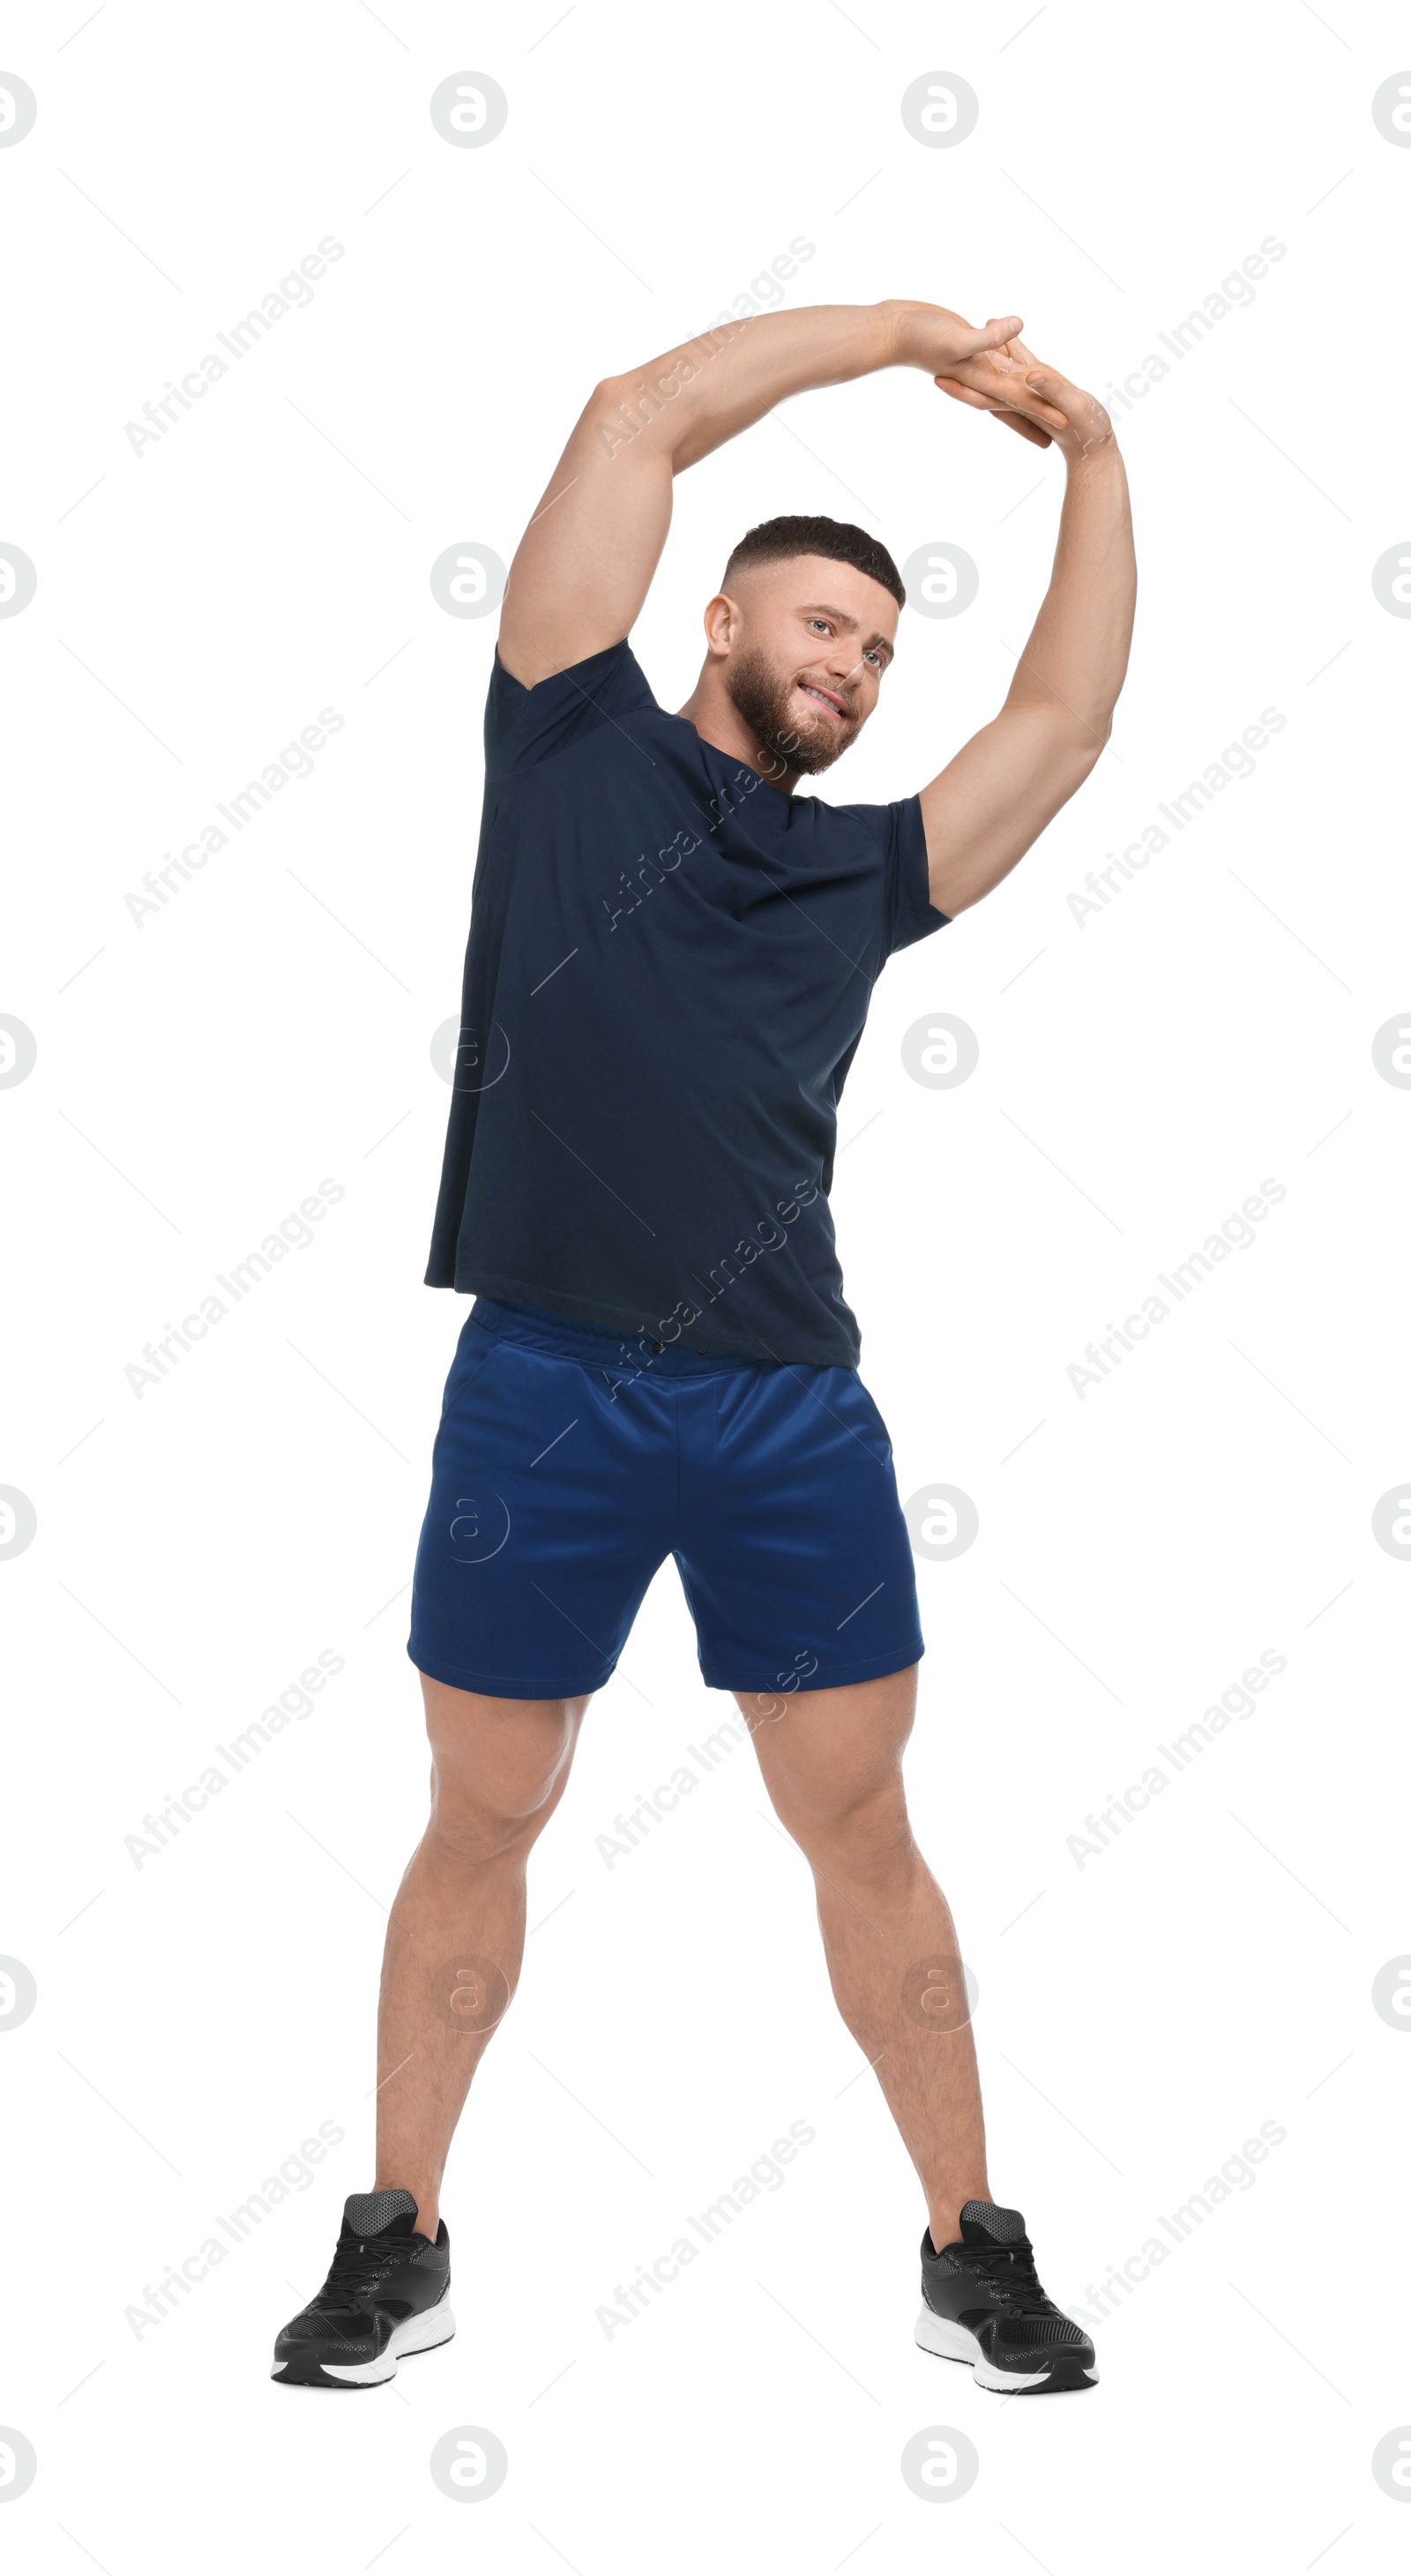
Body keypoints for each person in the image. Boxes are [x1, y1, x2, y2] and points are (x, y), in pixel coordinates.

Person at [272, 297, 1135, 2396]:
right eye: (822, 622)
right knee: (480, 1812)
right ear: (719, 616)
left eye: (873, 653)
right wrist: (903, 339)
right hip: (544, 1381)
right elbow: (630, 414)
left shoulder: (862, 879)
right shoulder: (565, 732)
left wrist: (1091, 452)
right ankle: (395, 2238)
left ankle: (967, 2247)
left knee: (861, 1826)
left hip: (781, 1411)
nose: (846, 663)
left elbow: (1061, 724)